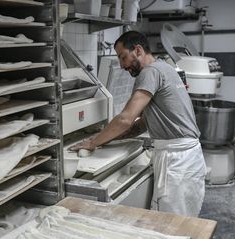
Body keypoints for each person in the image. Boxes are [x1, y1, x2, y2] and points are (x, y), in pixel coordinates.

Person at [70, 31, 206, 217]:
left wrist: (93, 142)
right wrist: (107, 139)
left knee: (169, 223)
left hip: (176, 160)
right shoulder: (165, 68)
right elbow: (141, 124)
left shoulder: (150, 72)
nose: (121, 65)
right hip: (188, 157)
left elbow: (126, 119)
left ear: (138, 50)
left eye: (123, 57)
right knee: (183, 220)